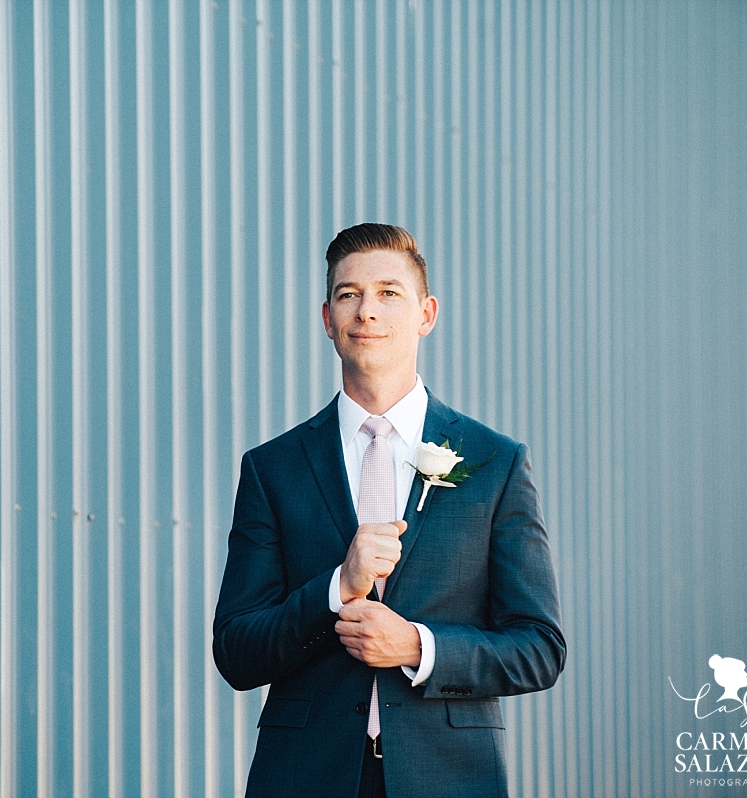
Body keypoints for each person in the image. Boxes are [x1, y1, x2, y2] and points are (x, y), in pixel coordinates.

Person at [213, 223, 566, 798]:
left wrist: (419, 648)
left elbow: (539, 647)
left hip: (449, 776)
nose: (366, 311)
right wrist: (334, 590)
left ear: (426, 313)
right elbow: (236, 651)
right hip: (304, 776)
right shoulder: (272, 468)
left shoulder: (495, 463)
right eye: (348, 294)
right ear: (328, 319)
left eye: (388, 293)